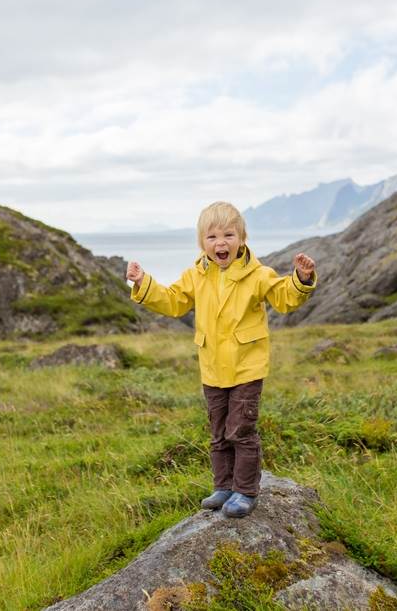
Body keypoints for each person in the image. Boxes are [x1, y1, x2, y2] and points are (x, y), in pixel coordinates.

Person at [125, 201, 317, 518]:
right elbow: (172, 302)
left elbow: (284, 298)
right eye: (212, 237)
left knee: (240, 431)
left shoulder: (258, 274)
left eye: (228, 235)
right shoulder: (196, 275)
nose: (221, 243)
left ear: (242, 238)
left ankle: (245, 491)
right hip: (212, 368)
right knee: (218, 433)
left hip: (246, 367)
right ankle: (223, 486)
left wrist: (301, 278)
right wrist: (143, 282)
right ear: (203, 244)